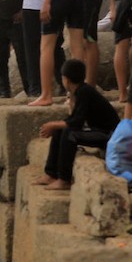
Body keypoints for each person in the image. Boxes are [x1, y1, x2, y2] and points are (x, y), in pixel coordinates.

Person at [34, 59, 120, 190]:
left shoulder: (85, 92)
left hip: (109, 135)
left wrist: (53, 124)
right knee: (60, 130)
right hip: (99, 131)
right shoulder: (80, 91)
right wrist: (56, 125)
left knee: (69, 134)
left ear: (66, 80)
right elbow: (74, 118)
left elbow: (76, 123)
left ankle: (64, 179)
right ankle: (51, 174)